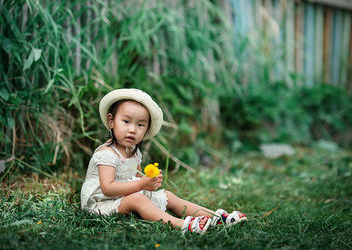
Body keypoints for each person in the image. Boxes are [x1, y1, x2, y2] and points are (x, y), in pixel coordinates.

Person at [81, 88, 247, 234]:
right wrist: (141, 186)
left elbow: (137, 179)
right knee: (137, 199)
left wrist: (149, 182)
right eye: (126, 122)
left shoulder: (133, 152)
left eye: (140, 125)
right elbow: (108, 188)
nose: (132, 129)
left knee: (167, 195)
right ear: (111, 121)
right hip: (101, 204)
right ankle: (183, 225)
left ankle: (219, 218)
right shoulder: (107, 154)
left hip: (123, 196)